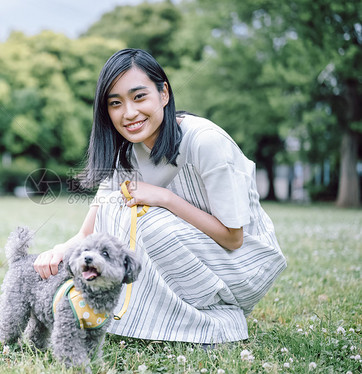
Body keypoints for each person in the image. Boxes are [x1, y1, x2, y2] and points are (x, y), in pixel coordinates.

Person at [33, 48, 286, 343]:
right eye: (116, 103)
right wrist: (58, 251)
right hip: (195, 258)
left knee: (145, 218)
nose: (129, 113)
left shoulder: (205, 142)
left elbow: (234, 237)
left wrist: (165, 198)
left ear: (163, 94)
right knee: (116, 205)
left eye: (139, 97)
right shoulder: (125, 154)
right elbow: (89, 231)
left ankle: (204, 322)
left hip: (242, 264)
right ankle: (161, 320)